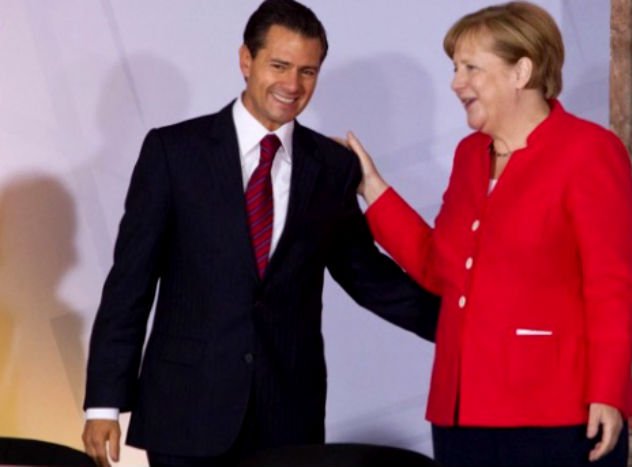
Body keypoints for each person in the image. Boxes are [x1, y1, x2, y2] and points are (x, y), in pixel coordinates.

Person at [81, 1, 439, 466]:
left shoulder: (332, 167)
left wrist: (462, 328)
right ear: (246, 60)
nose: (293, 85)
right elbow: (130, 282)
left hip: (287, 414)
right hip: (186, 410)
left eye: (308, 71)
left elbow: (369, 278)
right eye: (280, 66)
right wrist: (104, 403)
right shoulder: (174, 152)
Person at [342, 2, 632, 465]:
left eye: (471, 68)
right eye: (455, 68)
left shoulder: (589, 151)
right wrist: (372, 186)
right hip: (461, 411)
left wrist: (607, 391)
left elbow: (612, 286)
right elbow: (438, 267)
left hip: (556, 411)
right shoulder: (469, 155)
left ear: (521, 71)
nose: (456, 83)